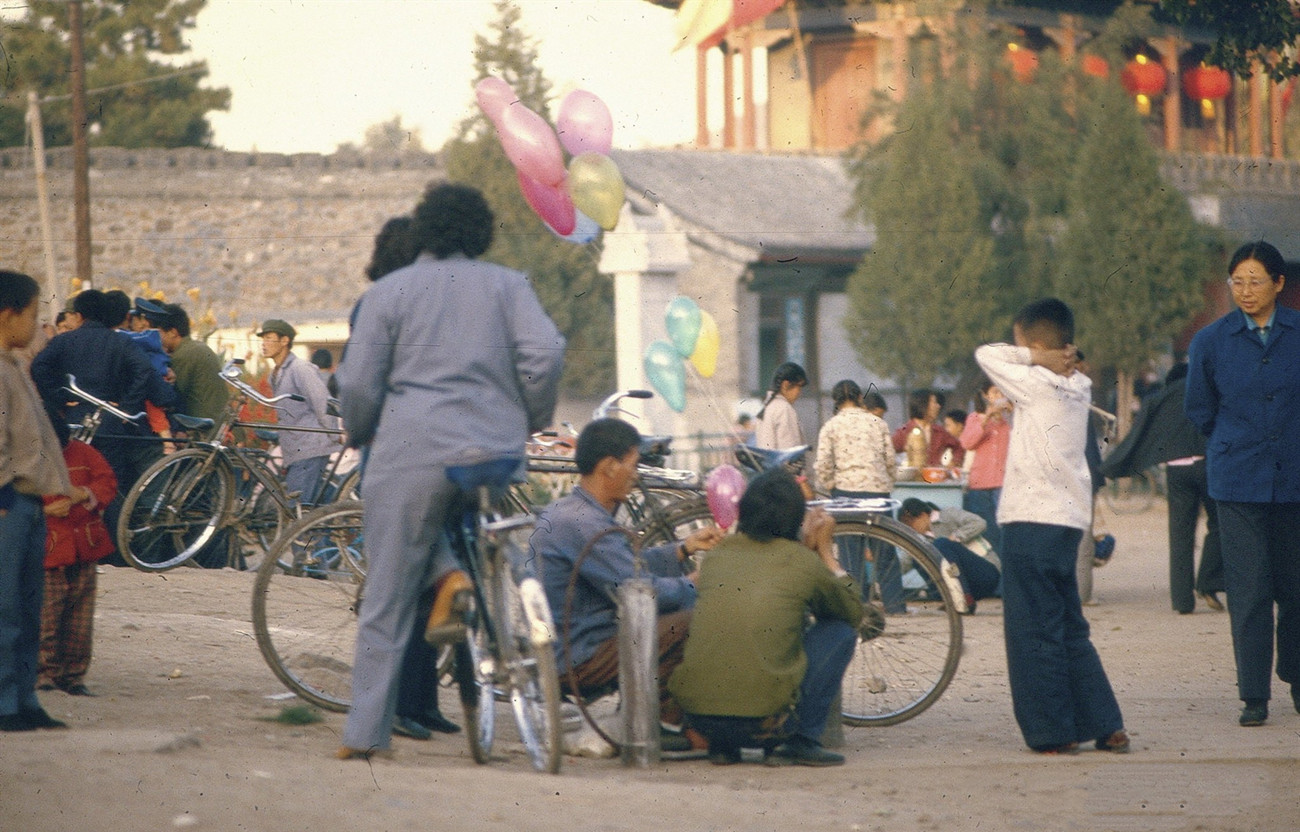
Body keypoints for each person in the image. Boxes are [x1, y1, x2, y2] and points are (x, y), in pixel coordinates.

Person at [334, 183, 565, 759]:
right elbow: (546, 355)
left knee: (386, 601)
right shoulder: (511, 286)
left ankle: (364, 737)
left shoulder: (390, 292)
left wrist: (362, 432)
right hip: (494, 452)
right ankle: (460, 579)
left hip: (411, 452)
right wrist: (528, 416)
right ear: (482, 230)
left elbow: (359, 385)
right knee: (470, 528)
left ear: (424, 230)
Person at [974, 297, 1127, 754]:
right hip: (1067, 521)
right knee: (1068, 626)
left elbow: (986, 354)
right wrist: (1048, 355)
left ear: (1038, 344)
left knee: (1032, 630)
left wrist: (1033, 357)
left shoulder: (1036, 380)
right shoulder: (1078, 385)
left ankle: (1052, 733)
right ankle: (1106, 724)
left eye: (1024, 343)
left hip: (1029, 519)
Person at [531, 418, 723, 753]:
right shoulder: (585, 523)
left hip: (569, 643)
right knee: (694, 617)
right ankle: (660, 723)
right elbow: (640, 591)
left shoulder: (569, 511)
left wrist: (683, 549)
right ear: (608, 467)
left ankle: (647, 715)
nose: (636, 474)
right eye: (633, 465)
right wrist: (693, 584)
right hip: (578, 655)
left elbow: (620, 565)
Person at [668, 469, 862, 766]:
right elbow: (853, 610)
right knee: (840, 631)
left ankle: (725, 747)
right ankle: (802, 740)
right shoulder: (801, 560)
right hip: (766, 725)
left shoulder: (718, 556)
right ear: (796, 517)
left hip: (702, 720)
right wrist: (825, 551)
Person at [1185, 240, 1300, 728]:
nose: (1246, 291)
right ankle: (1254, 694)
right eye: (1238, 281)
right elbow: (1199, 409)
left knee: (1296, 589)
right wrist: (1235, 443)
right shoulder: (1210, 341)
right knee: (1249, 590)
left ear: (1278, 284)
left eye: (1256, 281)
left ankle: (1296, 678)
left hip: (1294, 479)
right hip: (1236, 482)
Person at [31, 289, 177, 566]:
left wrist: (60, 398)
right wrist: (128, 406)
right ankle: (112, 553)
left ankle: (73, 549)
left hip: (73, 421)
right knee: (109, 485)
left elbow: (40, 366)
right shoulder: (119, 342)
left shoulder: (65, 341)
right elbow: (143, 370)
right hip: (111, 422)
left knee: (72, 483)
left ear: (80, 315)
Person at [0, 270, 73, 732]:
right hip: (8, 502)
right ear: (9, 315)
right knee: (5, 607)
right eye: (32, 315)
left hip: (28, 504)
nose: (36, 325)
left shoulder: (13, 365)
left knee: (28, 606)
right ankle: (5, 702)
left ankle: (24, 698)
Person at [1102, 361, 1223, 615]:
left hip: (1176, 471)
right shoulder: (1206, 392)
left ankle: (1182, 601)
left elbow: (1140, 433)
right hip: (1206, 467)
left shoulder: (1162, 398)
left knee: (1180, 535)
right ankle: (1208, 582)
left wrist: (1113, 466)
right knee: (1219, 524)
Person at [39, 419, 117, 697]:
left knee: (80, 619)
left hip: (85, 547)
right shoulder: (28, 457)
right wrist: (47, 510)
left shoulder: (84, 452)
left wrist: (82, 493)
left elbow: (107, 481)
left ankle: (72, 676)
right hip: (50, 550)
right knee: (46, 617)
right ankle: (44, 673)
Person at [813, 379, 898, 606]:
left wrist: (831, 484)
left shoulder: (830, 426)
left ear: (836, 401)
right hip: (878, 493)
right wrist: (887, 482)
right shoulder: (877, 423)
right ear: (861, 398)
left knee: (850, 554)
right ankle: (896, 605)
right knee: (885, 551)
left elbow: (822, 465)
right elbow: (890, 460)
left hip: (845, 494)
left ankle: (857, 605)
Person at [257, 319, 340, 506]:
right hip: (295, 447)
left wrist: (334, 434)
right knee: (310, 508)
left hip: (310, 446)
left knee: (298, 508)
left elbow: (323, 403)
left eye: (269, 338)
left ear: (284, 341)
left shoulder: (300, 368)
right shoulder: (275, 374)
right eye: (263, 339)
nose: (264, 344)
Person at [897, 498, 1001, 614]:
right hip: (962, 581)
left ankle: (965, 599)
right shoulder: (920, 539)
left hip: (985, 573)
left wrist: (956, 537)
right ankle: (955, 598)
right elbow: (904, 563)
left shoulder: (947, 515)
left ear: (922, 515)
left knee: (942, 544)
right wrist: (882, 565)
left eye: (910, 523)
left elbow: (979, 523)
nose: (910, 529)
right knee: (918, 555)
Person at [143, 302, 229, 424]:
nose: (157, 338)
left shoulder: (183, 355)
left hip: (203, 427)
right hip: (217, 421)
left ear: (173, 332)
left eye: (160, 332)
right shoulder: (197, 347)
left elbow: (171, 397)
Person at [960, 376, 1012, 553]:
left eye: (1002, 392)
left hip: (1003, 485)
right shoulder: (975, 418)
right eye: (995, 392)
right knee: (986, 532)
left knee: (1005, 531)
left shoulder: (1008, 423)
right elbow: (967, 442)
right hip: (979, 486)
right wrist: (987, 417)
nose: (1000, 396)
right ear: (986, 395)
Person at [892, 389, 963, 468]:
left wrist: (954, 462)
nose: (938, 406)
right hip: (913, 478)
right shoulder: (905, 431)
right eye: (934, 402)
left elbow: (958, 447)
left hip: (934, 477)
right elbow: (888, 450)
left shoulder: (939, 432)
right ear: (923, 405)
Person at [754, 361, 807, 451]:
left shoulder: (767, 407)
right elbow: (791, 449)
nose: (799, 393)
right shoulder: (784, 409)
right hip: (783, 464)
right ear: (786, 385)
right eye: (799, 387)